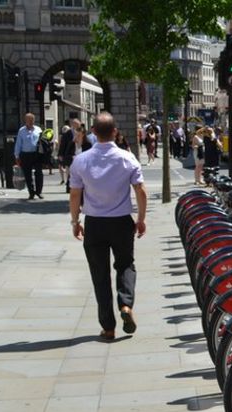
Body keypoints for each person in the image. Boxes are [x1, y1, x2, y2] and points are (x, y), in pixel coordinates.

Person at [68, 112, 148, 341]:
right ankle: (125, 304)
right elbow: (140, 190)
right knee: (125, 265)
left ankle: (108, 327)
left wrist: (75, 221)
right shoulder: (127, 158)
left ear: (93, 132)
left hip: (94, 223)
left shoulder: (81, 161)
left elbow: (75, 194)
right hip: (121, 221)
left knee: (99, 274)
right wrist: (141, 219)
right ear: (115, 132)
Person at [14, 113, 44, 199]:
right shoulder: (21, 131)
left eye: (32, 120)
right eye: (29, 120)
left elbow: (42, 142)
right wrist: (17, 156)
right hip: (25, 154)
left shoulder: (38, 129)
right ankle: (31, 192)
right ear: (25, 121)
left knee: (39, 173)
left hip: (36, 154)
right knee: (27, 174)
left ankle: (39, 192)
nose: (31, 122)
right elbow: (18, 144)